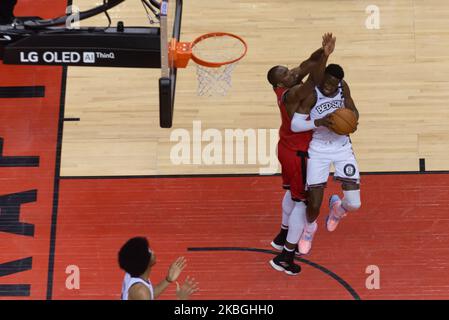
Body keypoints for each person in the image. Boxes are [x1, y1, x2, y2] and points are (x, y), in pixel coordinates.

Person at [267, 33, 336, 275]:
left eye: (288, 70)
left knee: (291, 194)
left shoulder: (288, 83)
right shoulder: (291, 95)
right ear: (279, 85)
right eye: (286, 74)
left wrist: (321, 51)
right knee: (302, 201)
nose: (292, 73)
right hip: (298, 154)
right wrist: (325, 59)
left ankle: (283, 233)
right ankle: (285, 257)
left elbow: (307, 65)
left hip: (286, 147)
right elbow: (313, 82)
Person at [291, 63, 361, 255]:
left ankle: (337, 209)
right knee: (313, 204)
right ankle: (309, 230)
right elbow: (295, 125)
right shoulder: (313, 93)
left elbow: (353, 109)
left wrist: (353, 121)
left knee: (354, 204)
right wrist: (319, 122)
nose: (329, 87)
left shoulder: (342, 87)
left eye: (333, 84)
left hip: (342, 148)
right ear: (322, 78)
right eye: (327, 83)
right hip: (319, 150)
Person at [118, 236, 199, 300]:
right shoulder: (141, 291)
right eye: (149, 251)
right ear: (145, 262)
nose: (152, 251)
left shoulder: (133, 273)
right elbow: (145, 295)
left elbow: (150, 294)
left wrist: (168, 280)